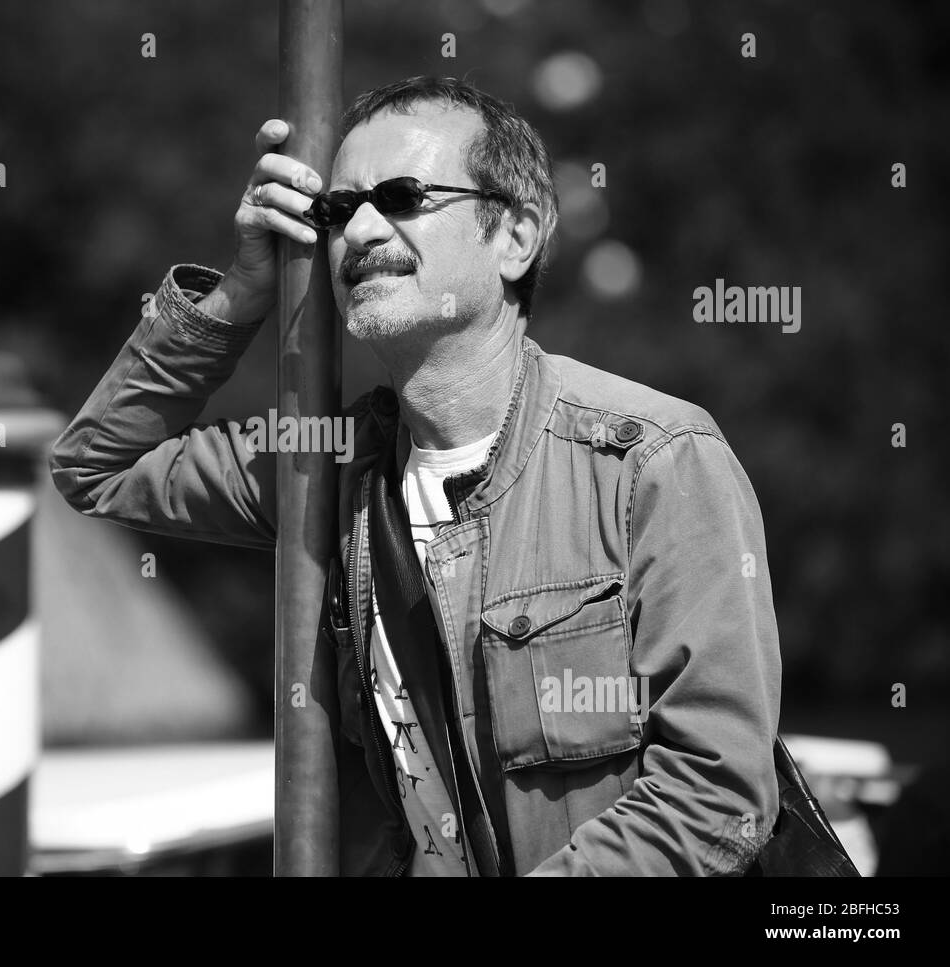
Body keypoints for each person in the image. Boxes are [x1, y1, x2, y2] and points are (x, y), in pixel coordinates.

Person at [50, 75, 782, 876]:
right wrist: (244, 290)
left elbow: (718, 795)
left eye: (402, 195)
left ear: (516, 237)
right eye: (334, 210)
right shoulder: (323, 464)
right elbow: (95, 464)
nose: (359, 229)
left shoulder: (655, 460)